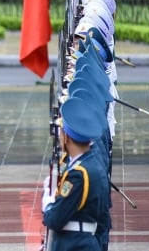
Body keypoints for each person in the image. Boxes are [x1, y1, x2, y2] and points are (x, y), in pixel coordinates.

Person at [42, 96, 110, 251]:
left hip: (75, 245)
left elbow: (54, 219)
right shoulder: (91, 163)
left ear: (67, 137)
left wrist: (47, 200)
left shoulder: (78, 175)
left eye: (61, 132)